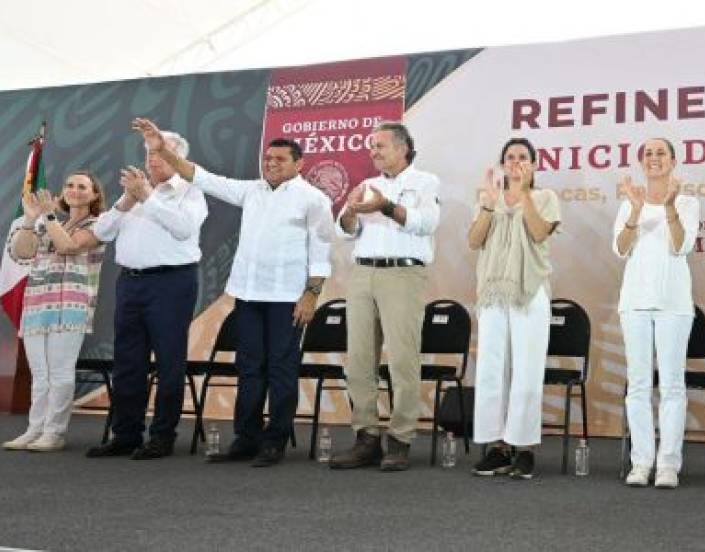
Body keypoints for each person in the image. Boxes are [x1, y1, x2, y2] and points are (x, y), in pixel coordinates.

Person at [131, 118, 333, 467]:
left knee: (281, 370)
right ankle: (246, 438)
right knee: (249, 368)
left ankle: (275, 441)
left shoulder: (313, 199)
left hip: (287, 297)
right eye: (268, 158)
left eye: (280, 160)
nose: (270, 164)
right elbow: (201, 176)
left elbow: (321, 249)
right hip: (248, 295)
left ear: (299, 164)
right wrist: (161, 149)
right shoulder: (251, 190)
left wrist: (311, 295)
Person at [86, 131, 208, 460]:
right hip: (130, 283)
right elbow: (101, 232)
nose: (152, 158)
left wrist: (147, 198)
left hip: (171, 283)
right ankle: (125, 434)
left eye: (160, 152)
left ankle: (162, 436)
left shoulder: (191, 193)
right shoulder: (134, 193)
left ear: (177, 158)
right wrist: (127, 199)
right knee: (127, 361)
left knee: (169, 361)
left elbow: (183, 228)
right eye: (148, 153)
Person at [329, 122, 440, 472]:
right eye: (371, 146)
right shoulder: (368, 185)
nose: (373, 151)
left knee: (402, 360)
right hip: (362, 272)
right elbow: (346, 232)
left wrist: (386, 206)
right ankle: (366, 437)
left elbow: (426, 223)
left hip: (403, 274)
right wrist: (349, 211)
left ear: (403, 147)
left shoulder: (426, 182)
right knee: (360, 359)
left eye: (380, 145)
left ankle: (400, 439)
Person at [467, 138, 560, 479]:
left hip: (529, 292)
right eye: (510, 157)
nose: (516, 162)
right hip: (492, 293)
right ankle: (496, 447)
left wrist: (522, 195)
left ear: (534, 164)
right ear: (502, 163)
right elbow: (474, 241)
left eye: (523, 157)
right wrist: (490, 206)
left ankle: (523, 449)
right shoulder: (487, 197)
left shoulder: (545, 197)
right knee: (492, 369)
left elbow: (538, 233)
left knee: (526, 370)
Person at [614, 138, 700, 489]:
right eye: (648, 154)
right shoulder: (628, 204)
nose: (653, 158)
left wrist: (668, 207)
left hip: (673, 304)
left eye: (660, 153)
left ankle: (668, 464)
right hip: (634, 302)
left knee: (671, 386)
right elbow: (621, 249)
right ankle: (641, 462)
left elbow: (681, 245)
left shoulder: (688, 202)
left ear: (673, 161)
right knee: (637, 386)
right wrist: (635, 210)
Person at [2, 173, 106, 452]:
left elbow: (68, 246)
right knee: (40, 374)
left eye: (82, 187)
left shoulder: (98, 224)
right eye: (70, 185)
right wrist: (29, 219)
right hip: (37, 304)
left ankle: (55, 432)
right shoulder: (51, 222)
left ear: (95, 195)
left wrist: (47, 217)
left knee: (60, 372)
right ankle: (34, 429)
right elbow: (21, 252)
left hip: (70, 307)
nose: (74, 190)